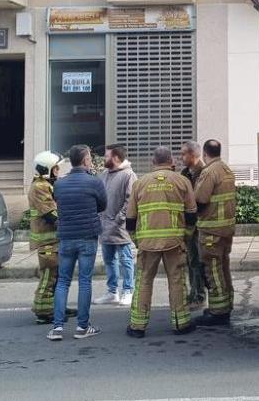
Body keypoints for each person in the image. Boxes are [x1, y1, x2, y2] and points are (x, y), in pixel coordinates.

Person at [124, 146, 198, 338]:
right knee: (176, 280)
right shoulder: (182, 181)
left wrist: (137, 241)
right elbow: (191, 214)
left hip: (147, 243)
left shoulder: (139, 184)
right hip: (175, 241)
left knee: (143, 281)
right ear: (171, 161)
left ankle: (137, 326)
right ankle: (181, 323)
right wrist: (185, 236)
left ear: (153, 162)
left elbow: (130, 219)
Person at [47, 144, 107, 341]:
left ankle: (57, 328)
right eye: (89, 158)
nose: (91, 161)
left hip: (66, 236)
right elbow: (102, 205)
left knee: (63, 281)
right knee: (84, 281)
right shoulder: (94, 182)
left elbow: (58, 203)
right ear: (85, 160)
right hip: (87, 236)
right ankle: (82, 327)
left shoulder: (60, 184)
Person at [192, 139, 236, 327]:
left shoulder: (209, 172)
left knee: (213, 270)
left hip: (211, 230)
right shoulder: (226, 169)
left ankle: (218, 312)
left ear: (204, 153)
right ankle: (226, 305)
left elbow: (200, 199)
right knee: (223, 268)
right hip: (226, 229)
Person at [28, 150, 74, 324]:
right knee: (49, 276)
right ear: (48, 169)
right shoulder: (39, 187)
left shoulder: (47, 184)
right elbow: (51, 214)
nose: (58, 171)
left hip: (54, 240)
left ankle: (57, 307)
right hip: (47, 242)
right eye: (56, 168)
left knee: (58, 276)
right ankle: (43, 311)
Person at [95, 144, 137, 307]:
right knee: (109, 260)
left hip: (120, 228)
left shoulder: (129, 175)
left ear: (116, 158)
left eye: (107, 156)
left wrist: (118, 219)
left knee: (125, 259)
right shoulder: (104, 174)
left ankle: (128, 291)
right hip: (104, 226)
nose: (104, 159)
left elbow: (131, 200)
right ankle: (112, 292)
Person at [179, 140, 206, 306]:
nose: (181, 157)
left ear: (192, 155)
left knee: (198, 261)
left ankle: (200, 295)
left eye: (183, 154)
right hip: (188, 224)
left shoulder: (205, 173)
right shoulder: (184, 173)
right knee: (190, 260)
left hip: (201, 225)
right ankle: (193, 292)